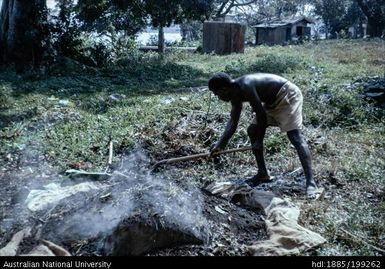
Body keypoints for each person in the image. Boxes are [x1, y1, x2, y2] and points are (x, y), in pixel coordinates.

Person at [208, 72, 323, 199]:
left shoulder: (246, 85)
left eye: (217, 94)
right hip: (271, 102)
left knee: (295, 137)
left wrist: (259, 141)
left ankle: (311, 183)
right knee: (252, 131)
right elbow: (233, 122)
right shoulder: (234, 94)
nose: (218, 98)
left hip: (287, 95)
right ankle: (263, 173)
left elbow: (261, 115)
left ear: (224, 89)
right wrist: (220, 145)